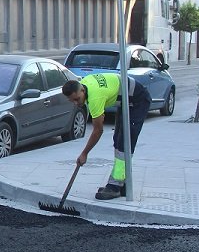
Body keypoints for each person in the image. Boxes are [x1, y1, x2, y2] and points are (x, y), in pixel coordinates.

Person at [62, 72, 151, 200]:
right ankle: (123, 184)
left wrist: (84, 153)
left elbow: (98, 131)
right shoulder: (85, 83)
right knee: (118, 139)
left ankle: (115, 186)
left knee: (124, 144)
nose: (76, 103)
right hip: (126, 101)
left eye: (77, 99)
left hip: (138, 100)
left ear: (82, 90)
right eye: (72, 101)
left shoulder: (95, 98)